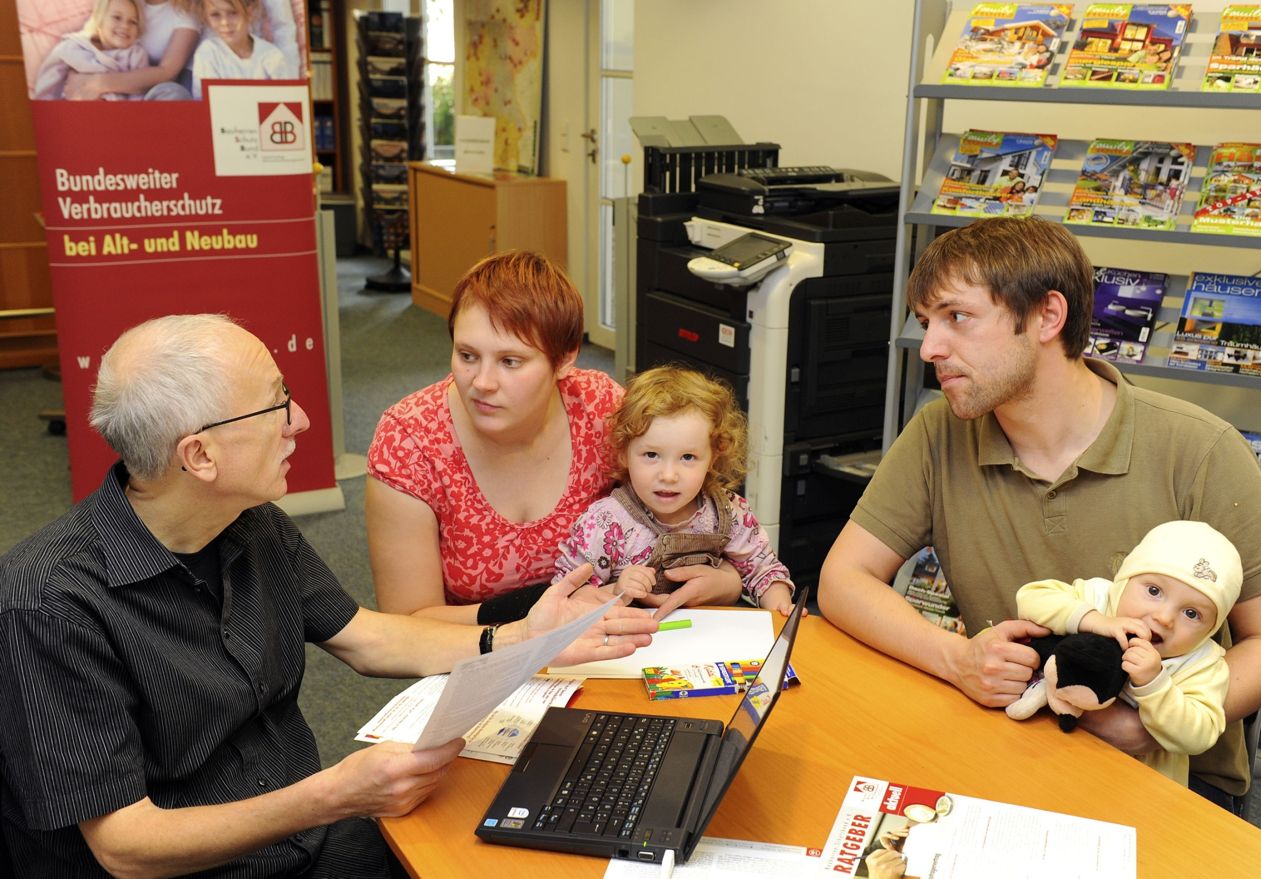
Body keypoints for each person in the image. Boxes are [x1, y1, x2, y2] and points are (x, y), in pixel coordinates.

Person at [0, 313, 657, 877]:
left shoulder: (251, 522)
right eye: (276, 405)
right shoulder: (51, 604)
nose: (303, 420)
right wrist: (333, 794)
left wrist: (528, 636)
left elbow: (367, 635)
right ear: (199, 456)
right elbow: (125, 848)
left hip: (302, 844)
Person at [817, 216, 1261, 809]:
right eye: (927, 323)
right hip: (1013, 739)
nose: (930, 348)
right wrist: (957, 660)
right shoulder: (937, 433)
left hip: (1168, 776)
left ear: (1048, 317)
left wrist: (1151, 721)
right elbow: (842, 580)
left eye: (958, 318)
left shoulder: (1200, 448)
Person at [367, 251, 743, 624]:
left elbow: (689, 510)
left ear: (564, 359)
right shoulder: (409, 442)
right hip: (475, 654)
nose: (481, 383)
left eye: (510, 361)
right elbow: (407, 625)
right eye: (467, 355)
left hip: (605, 636)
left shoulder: (603, 410)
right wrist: (535, 614)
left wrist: (727, 581)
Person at [1013, 520, 1242, 784]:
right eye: (1154, 591)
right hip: (1047, 749)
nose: (1164, 618)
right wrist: (1095, 621)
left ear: (1210, 630)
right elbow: (1030, 598)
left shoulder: (1201, 663)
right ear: (1124, 580)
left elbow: (1200, 735)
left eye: (1191, 613)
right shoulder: (1100, 599)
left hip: (1133, 783)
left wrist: (1155, 685)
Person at [556, 366, 797, 616]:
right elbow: (566, 596)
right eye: (651, 455)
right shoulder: (605, 522)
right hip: (630, 644)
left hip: (708, 641)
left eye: (688, 457)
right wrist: (617, 589)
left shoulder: (727, 512)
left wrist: (781, 607)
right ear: (623, 453)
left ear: (713, 457)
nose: (669, 476)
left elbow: (763, 569)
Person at [63, 0, 199, 100]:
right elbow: (96, 32)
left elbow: (168, 72)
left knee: (174, 94)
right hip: (107, 68)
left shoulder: (186, 13)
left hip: (150, 87)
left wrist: (99, 83)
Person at [32, 0, 149, 101]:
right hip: (72, 112)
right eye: (117, 17)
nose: (125, 26)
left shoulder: (136, 55)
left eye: (133, 21)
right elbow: (48, 86)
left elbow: (138, 94)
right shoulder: (72, 47)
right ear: (99, 18)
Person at [190, 0, 294, 99]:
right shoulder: (208, 53)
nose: (225, 22)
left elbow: (283, 100)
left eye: (233, 13)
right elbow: (206, 103)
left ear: (250, 12)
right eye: (215, 15)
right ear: (206, 17)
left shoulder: (271, 55)